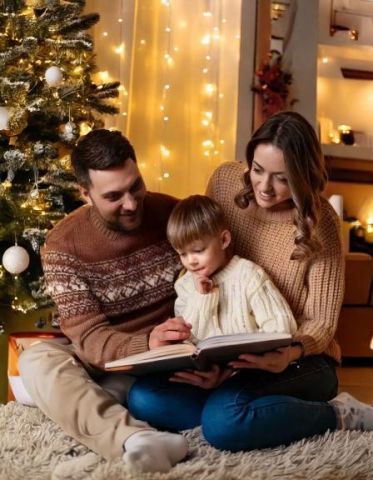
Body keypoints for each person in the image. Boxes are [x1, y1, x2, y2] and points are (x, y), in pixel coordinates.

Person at [127, 111, 373, 451]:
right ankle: (246, 412)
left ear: (302, 177)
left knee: (224, 423)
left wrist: (286, 354)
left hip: (299, 358)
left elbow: (322, 324)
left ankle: (337, 415)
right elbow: (204, 249)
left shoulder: (321, 224)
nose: (264, 187)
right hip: (229, 352)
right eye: (257, 170)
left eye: (282, 178)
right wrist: (214, 366)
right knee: (143, 397)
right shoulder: (225, 182)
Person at [19, 129, 190, 474]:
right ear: (85, 193)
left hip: (171, 357)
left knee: (73, 398)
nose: (131, 203)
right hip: (109, 359)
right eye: (114, 196)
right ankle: (135, 440)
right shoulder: (63, 245)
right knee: (37, 361)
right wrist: (145, 342)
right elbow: (91, 338)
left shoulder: (172, 213)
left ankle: (109, 430)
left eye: (135, 186)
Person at [166, 194, 297, 341]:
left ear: (224, 240)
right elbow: (188, 338)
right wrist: (201, 297)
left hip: (251, 360)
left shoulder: (249, 275)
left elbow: (283, 325)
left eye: (198, 250)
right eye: (182, 254)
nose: (191, 261)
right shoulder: (184, 285)